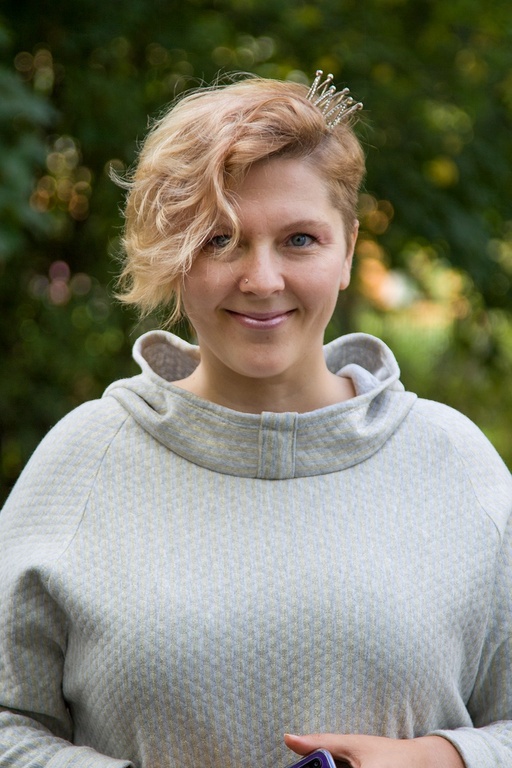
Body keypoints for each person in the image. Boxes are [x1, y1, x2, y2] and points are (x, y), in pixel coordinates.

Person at [0, 71, 511, 768]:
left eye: (299, 239)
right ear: (174, 256)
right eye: (220, 240)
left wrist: (439, 760)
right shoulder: (83, 462)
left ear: (347, 250)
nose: (262, 280)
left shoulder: (455, 463)